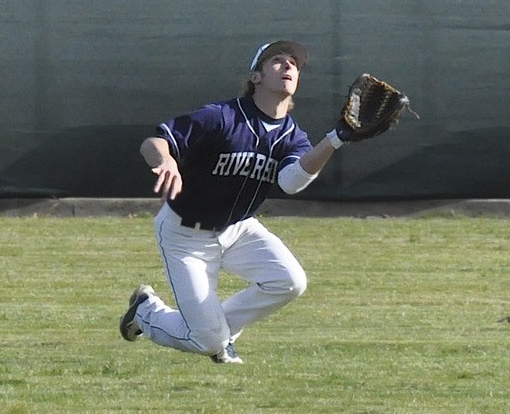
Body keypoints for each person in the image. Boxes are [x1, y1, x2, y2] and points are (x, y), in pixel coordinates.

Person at [119, 40, 361, 364]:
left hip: (238, 229)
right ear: (256, 78)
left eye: (294, 63)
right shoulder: (222, 117)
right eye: (277, 60)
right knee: (206, 340)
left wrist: (335, 140)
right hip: (186, 236)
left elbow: (290, 182)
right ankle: (146, 312)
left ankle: (221, 334)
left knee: (289, 281)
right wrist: (166, 160)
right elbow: (155, 141)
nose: (288, 66)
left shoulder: (292, 136)